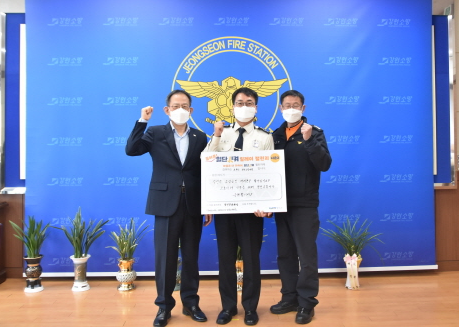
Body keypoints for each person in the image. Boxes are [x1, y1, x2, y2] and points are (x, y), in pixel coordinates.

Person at [125, 89, 212, 327]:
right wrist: (142, 120)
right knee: (165, 257)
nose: (180, 110)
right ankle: (164, 306)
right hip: (165, 203)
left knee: (191, 257)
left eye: (185, 106)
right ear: (167, 110)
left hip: (193, 204)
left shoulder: (200, 137)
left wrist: (208, 204)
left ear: (191, 110)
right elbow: (131, 149)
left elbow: (204, 172)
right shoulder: (155, 132)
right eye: (175, 106)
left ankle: (191, 303)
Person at [202, 87, 274, 326]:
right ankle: (228, 307)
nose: (244, 106)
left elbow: (270, 173)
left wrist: (268, 204)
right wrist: (216, 135)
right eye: (240, 102)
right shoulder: (220, 133)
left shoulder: (265, 137)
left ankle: (250, 308)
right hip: (225, 208)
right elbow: (207, 164)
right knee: (225, 259)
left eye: (249, 102)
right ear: (232, 107)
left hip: (252, 211)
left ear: (256, 108)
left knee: (252, 260)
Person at [268, 90, 332, 325]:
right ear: (280, 108)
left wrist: (309, 140)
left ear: (303, 109)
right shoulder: (275, 135)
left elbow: (324, 164)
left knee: (306, 256)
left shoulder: (314, 132)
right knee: (285, 254)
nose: (291, 109)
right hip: (281, 204)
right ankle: (289, 298)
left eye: (296, 105)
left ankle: (306, 303)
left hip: (305, 203)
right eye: (287, 105)